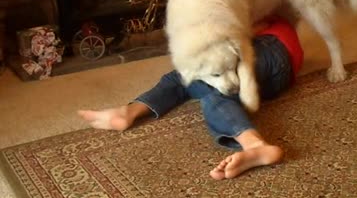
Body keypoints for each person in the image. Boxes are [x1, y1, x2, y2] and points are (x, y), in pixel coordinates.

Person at [78, 16, 304, 180]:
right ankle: (131, 111)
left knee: (213, 89)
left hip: (272, 47)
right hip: (276, 67)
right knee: (187, 75)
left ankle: (256, 145)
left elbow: (253, 27)